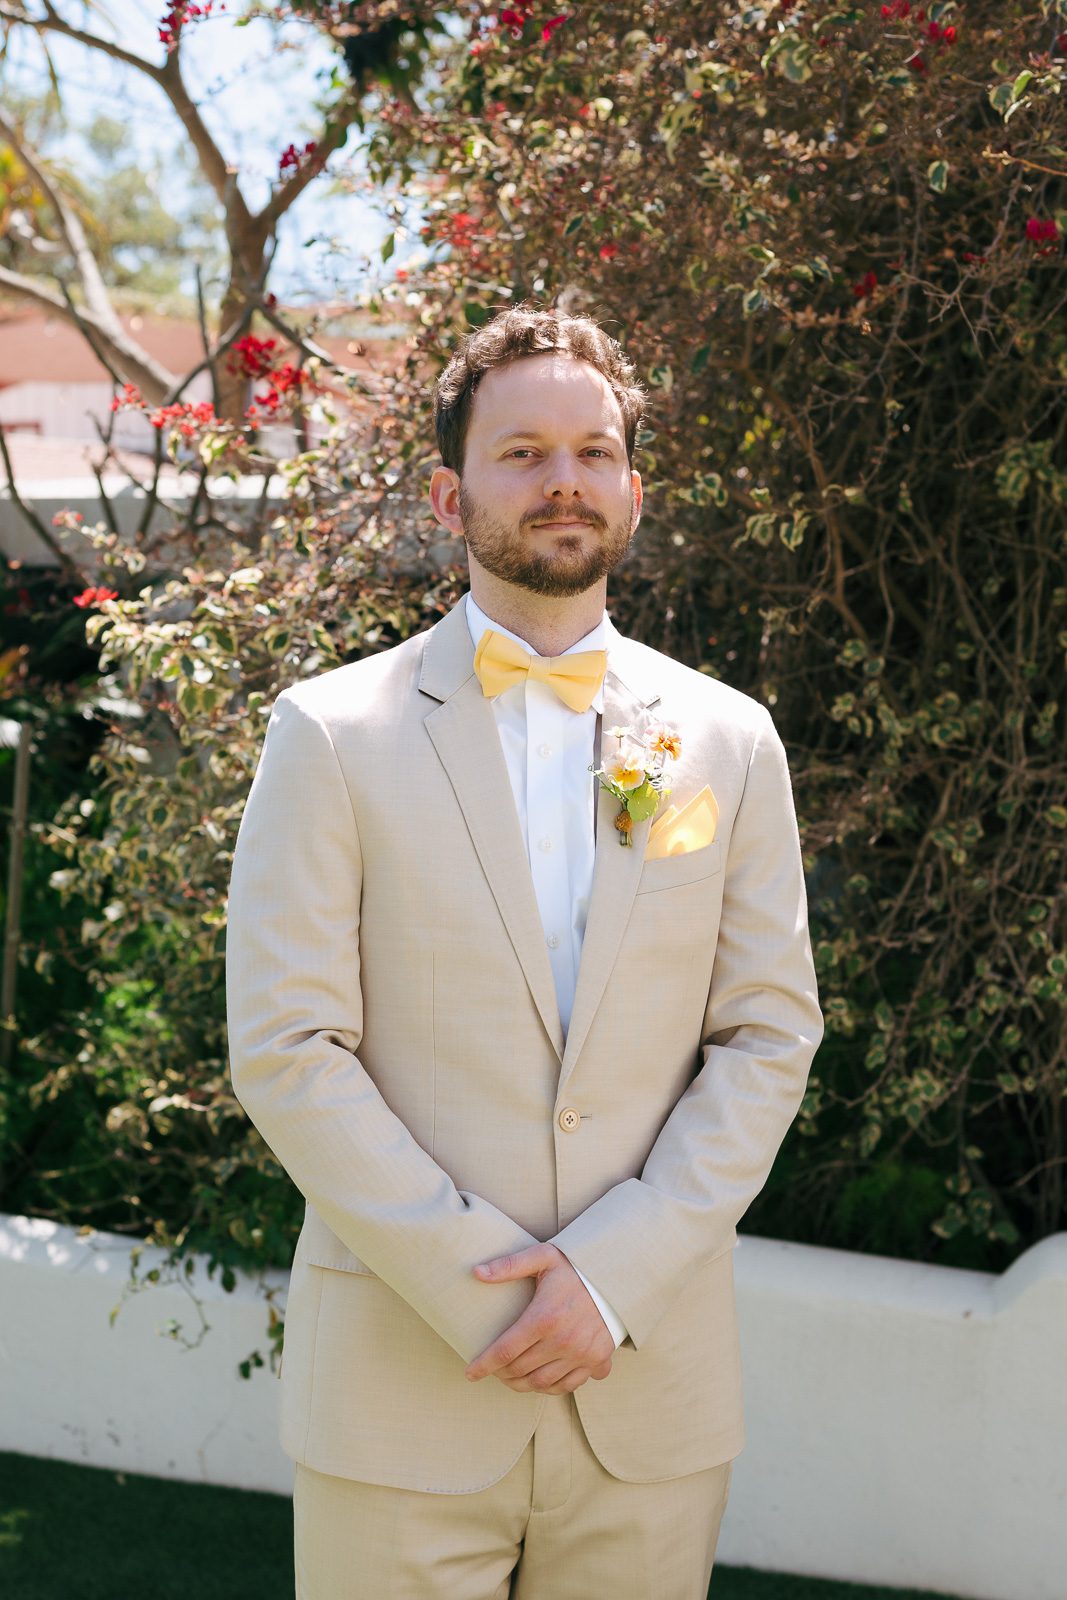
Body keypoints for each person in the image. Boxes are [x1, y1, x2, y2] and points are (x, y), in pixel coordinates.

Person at [225, 304, 823, 1600]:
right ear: (450, 495)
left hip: (647, 1395)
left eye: (595, 452)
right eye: (523, 452)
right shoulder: (329, 734)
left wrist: (609, 1282)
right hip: (401, 1389)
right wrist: (497, 1293)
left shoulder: (728, 742)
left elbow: (769, 1036)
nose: (565, 480)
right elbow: (287, 1048)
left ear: (633, 492)